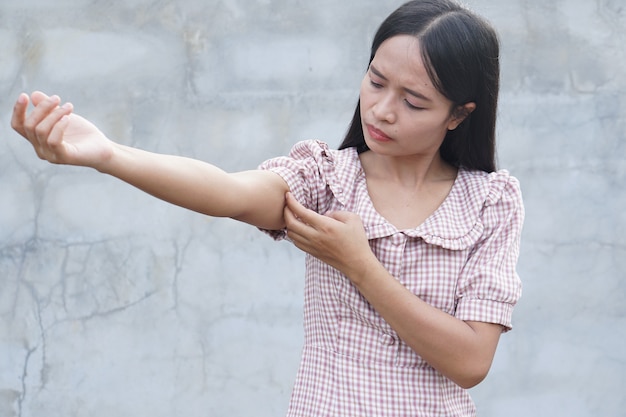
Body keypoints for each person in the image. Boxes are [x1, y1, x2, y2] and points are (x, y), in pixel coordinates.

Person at [10, 0, 523, 416]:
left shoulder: (491, 203)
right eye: (375, 80)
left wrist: (360, 266)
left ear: (459, 114)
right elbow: (227, 192)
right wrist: (110, 155)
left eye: (414, 102)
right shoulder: (326, 178)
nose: (382, 109)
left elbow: (470, 360)